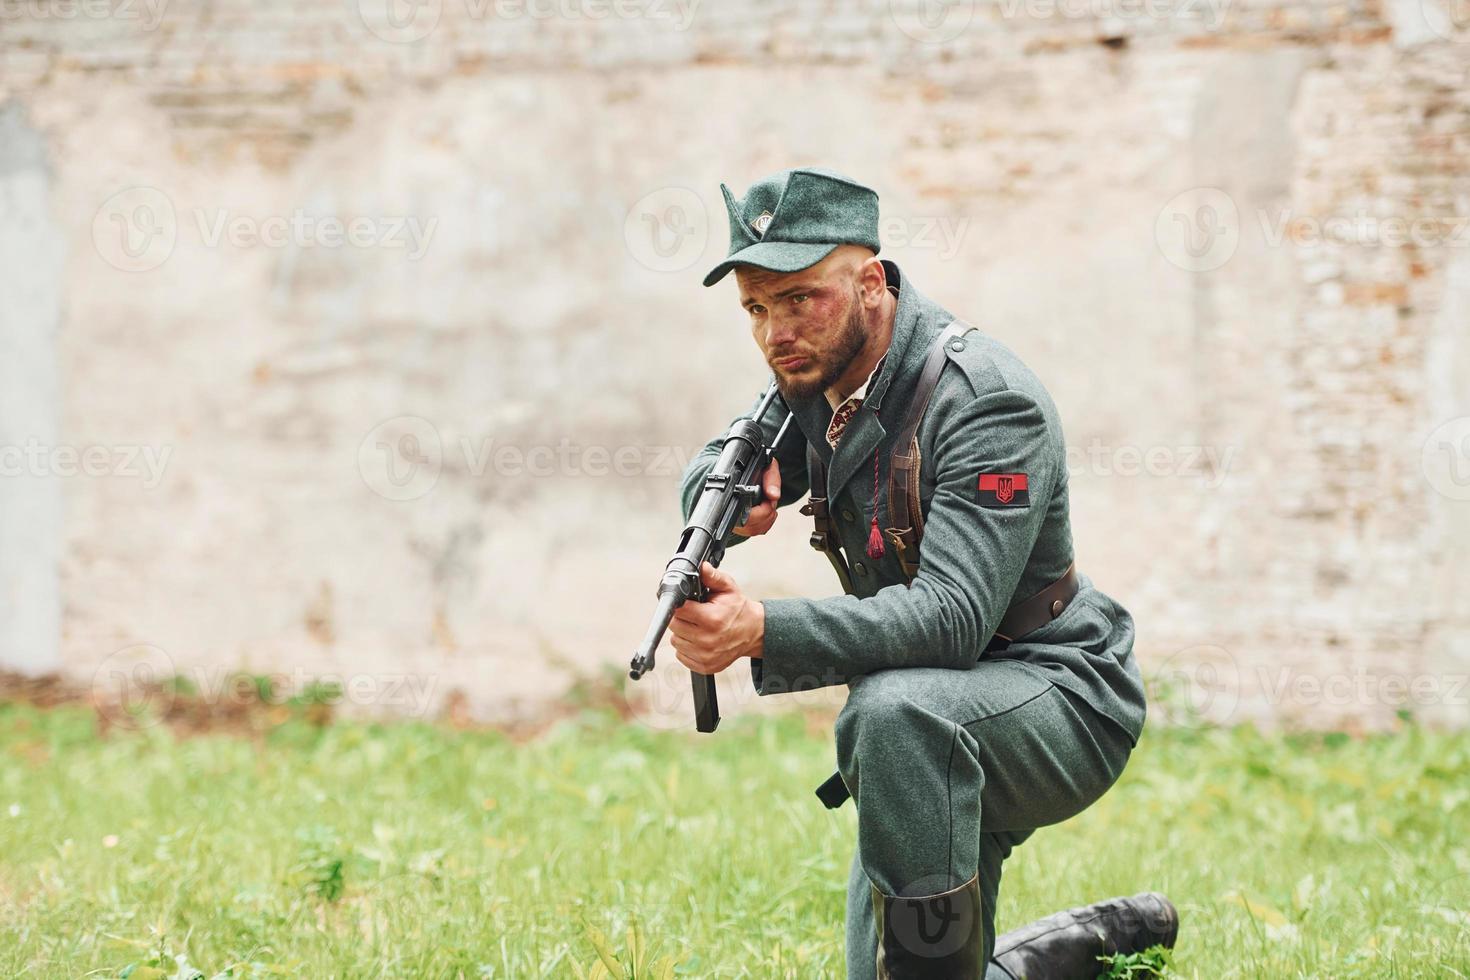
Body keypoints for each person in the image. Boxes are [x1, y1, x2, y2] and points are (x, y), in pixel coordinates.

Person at [668, 167, 1178, 979]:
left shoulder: (984, 400)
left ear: (871, 282)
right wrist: (725, 496)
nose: (776, 332)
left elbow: (951, 618)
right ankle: (1084, 947)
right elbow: (724, 458)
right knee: (899, 967)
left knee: (895, 714)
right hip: (936, 702)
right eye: (756, 309)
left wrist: (761, 629)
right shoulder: (817, 370)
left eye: (801, 298)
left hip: (1059, 689)